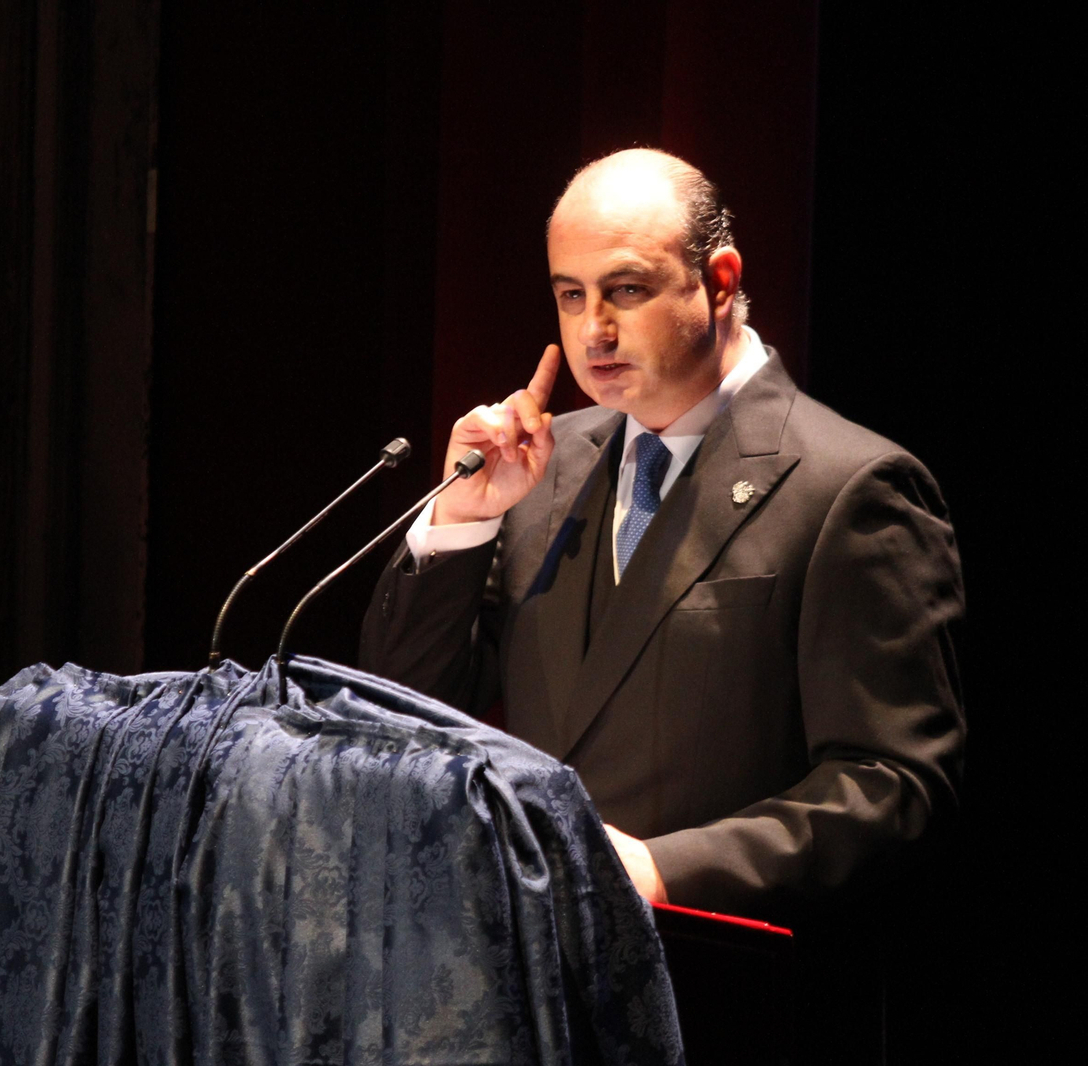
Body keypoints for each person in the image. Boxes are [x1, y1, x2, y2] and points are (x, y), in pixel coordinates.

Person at [361, 148, 964, 922]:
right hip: (533, 980)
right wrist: (465, 520)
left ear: (719, 281)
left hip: (722, 985)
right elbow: (401, 715)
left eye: (626, 290)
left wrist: (665, 870)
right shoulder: (539, 469)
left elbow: (896, 787)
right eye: (571, 296)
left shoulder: (851, 487)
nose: (594, 330)